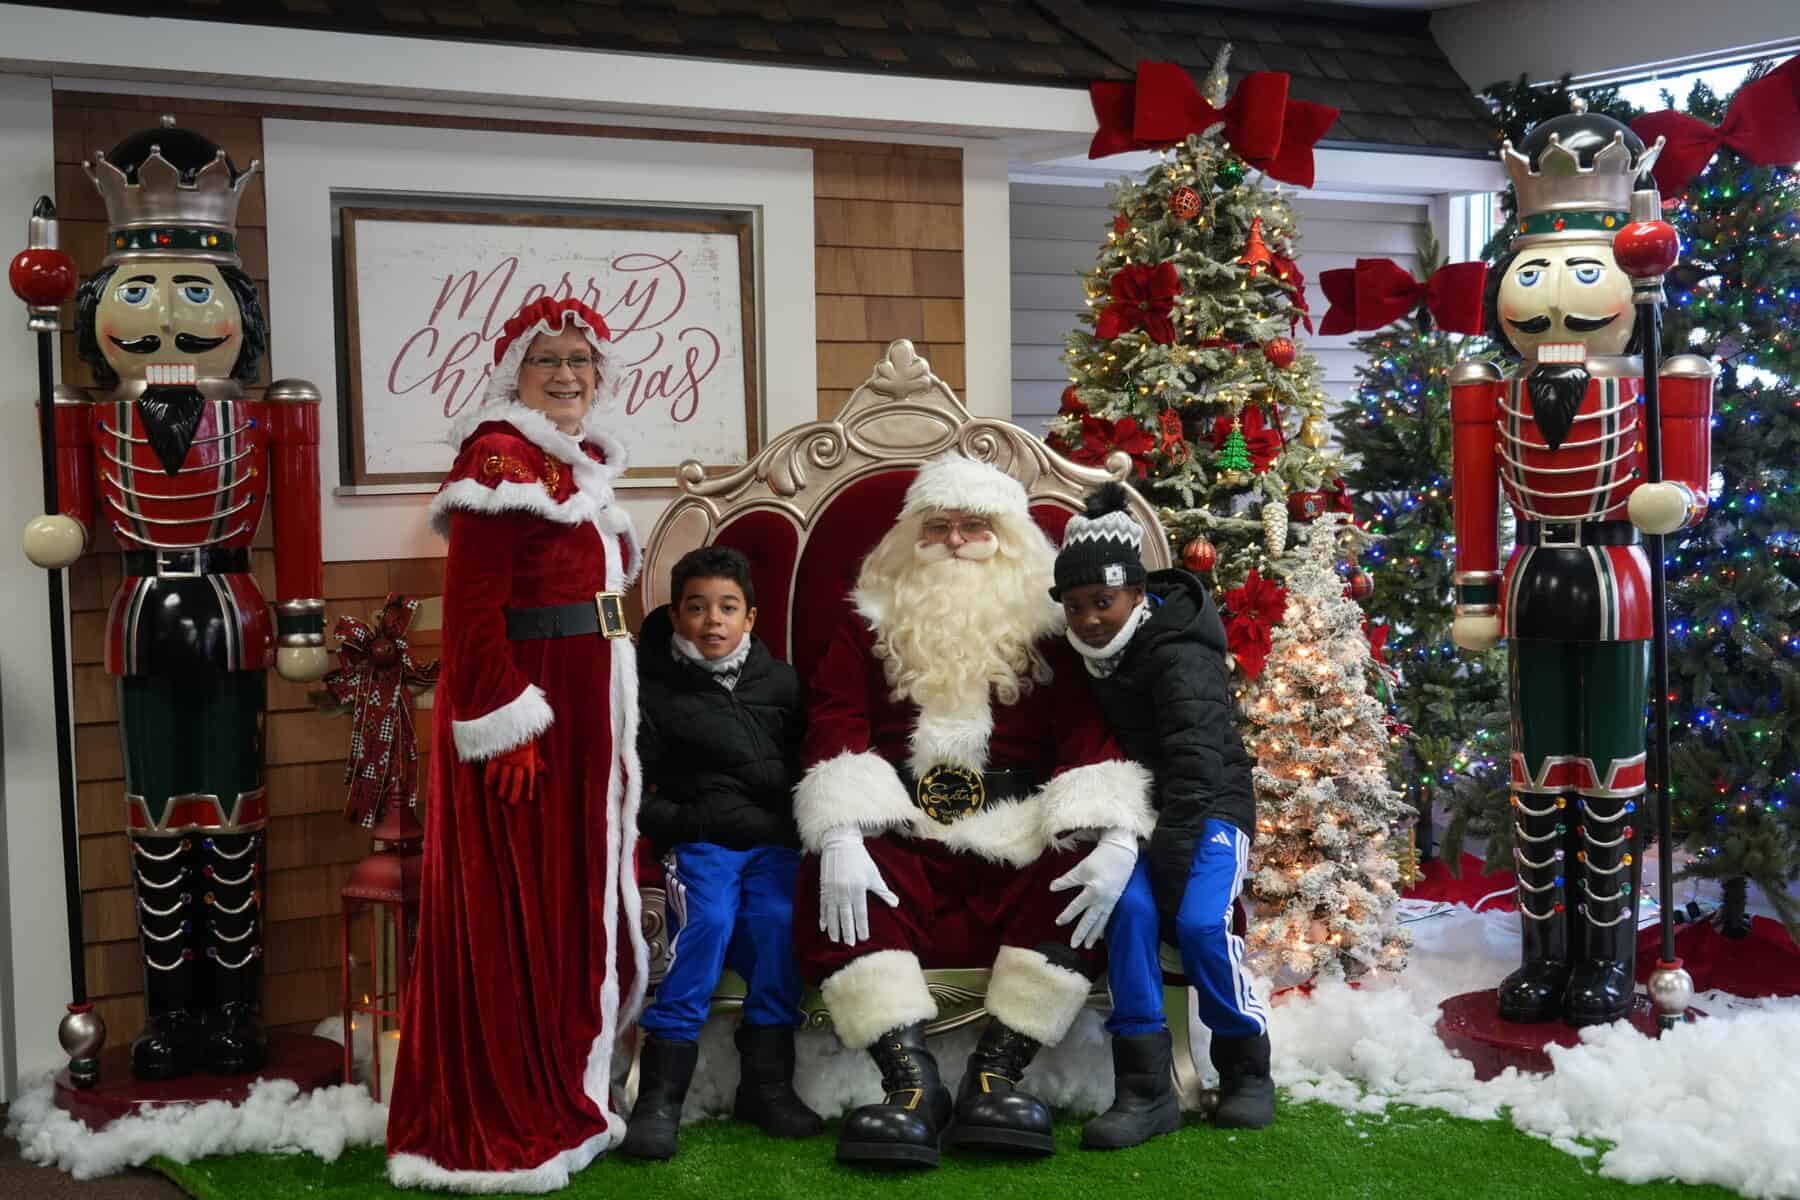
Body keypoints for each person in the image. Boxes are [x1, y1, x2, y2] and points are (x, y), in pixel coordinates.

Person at [794, 454, 1154, 1169]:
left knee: (1078, 869)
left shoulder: (1051, 629)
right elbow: (835, 719)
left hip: (1016, 822)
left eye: (975, 526)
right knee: (831, 876)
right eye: (938, 526)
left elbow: (1086, 735)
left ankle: (996, 1074)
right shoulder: (869, 622)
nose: (955, 540)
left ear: (1011, 539)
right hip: (903, 821)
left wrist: (1114, 834)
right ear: (911, 536)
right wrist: (841, 830)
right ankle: (910, 1084)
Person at [386, 296, 648, 1193]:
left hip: (587, 709)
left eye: (580, 359)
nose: (567, 374)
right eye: (548, 361)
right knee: (522, 899)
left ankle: (570, 1087)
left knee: (570, 894)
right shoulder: (498, 456)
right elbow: (470, 608)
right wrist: (502, 724)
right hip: (532, 711)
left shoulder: (573, 461)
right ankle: (508, 1107)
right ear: (515, 375)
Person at [1051, 484, 1271, 1147]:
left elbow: (1198, 767)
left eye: (1104, 601)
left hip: (1211, 807)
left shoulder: (1180, 652)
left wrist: (1172, 869)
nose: (1090, 618)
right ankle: (1145, 1089)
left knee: (1199, 923)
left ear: (1137, 594)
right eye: (1075, 605)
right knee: (1129, 914)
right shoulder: (1087, 658)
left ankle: (1246, 1063)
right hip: (1142, 813)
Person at [622, 545, 823, 1158]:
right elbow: (632, 790)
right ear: (676, 615)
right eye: (697, 607)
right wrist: (687, 822)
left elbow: (810, 765)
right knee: (705, 923)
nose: (713, 620)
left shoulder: (781, 683)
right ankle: (660, 1098)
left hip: (772, 843)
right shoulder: (652, 691)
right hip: (702, 841)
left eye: (727, 607)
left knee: (777, 924)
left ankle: (767, 1087)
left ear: (750, 617)